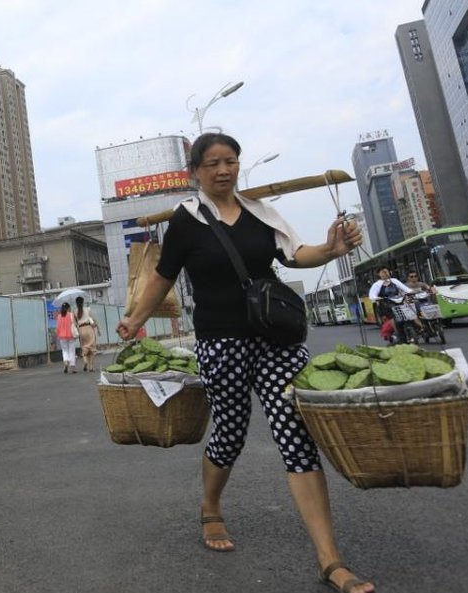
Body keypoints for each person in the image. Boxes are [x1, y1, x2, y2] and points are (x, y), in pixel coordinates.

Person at [116, 132, 374, 593]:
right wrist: (135, 318)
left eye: (230, 161)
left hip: (276, 339)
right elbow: (162, 276)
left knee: (295, 433)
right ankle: (210, 507)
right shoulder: (186, 221)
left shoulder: (261, 214)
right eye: (212, 163)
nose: (223, 170)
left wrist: (332, 248)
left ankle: (330, 558)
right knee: (230, 433)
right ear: (195, 171)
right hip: (221, 343)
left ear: (239, 165)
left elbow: (296, 255)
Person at [368, 267, 422, 340]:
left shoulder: (394, 281)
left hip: (398, 302)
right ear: (379, 274)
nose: (385, 273)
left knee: (409, 311)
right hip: (386, 305)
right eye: (382, 272)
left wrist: (414, 291)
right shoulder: (377, 284)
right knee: (392, 317)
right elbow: (372, 295)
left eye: (386, 271)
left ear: (389, 272)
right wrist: (377, 298)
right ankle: (398, 333)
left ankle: (419, 327)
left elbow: (406, 289)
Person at [74, 296, 99, 372]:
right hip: (88, 328)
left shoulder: (75, 312)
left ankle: (85, 362)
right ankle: (91, 367)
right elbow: (94, 320)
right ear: (83, 302)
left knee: (84, 347)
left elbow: (75, 324)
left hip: (81, 330)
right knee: (92, 348)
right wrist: (95, 325)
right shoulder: (88, 309)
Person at [55, 302, 79, 374]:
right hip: (70, 335)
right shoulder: (71, 315)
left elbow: (58, 327)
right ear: (68, 308)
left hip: (62, 336)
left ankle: (65, 362)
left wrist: (58, 334)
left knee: (65, 351)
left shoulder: (59, 316)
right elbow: (75, 324)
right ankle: (72, 367)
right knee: (71, 351)